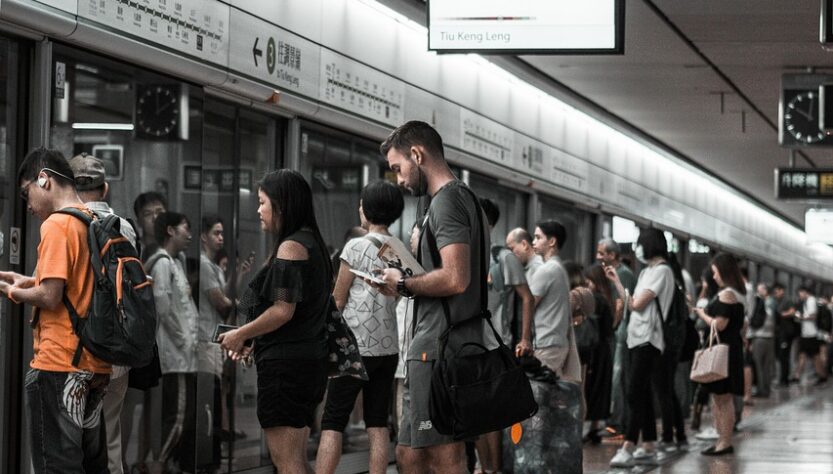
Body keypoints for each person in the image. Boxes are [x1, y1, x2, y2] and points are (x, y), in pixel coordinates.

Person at [377, 121, 489, 474]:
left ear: (417, 154)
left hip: (439, 348)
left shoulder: (447, 202)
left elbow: (456, 278)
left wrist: (403, 284)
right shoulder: (466, 198)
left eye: (398, 168)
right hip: (447, 343)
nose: (399, 179)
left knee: (441, 452)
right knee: (414, 448)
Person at [0, 148, 111, 473]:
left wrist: (12, 292)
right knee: (92, 466)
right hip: (93, 366)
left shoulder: (57, 225)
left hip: (59, 363)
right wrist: (25, 280)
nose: (29, 205)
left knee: (57, 466)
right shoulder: (90, 220)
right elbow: (74, 288)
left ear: (44, 179)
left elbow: (50, 296)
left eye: (27, 193)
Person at [219, 170, 331, 472]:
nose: (258, 210)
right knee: (295, 459)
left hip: (287, 368)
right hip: (305, 363)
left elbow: (283, 309)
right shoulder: (312, 243)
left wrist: (240, 334)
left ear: (281, 206)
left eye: (262, 202)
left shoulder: (291, 247)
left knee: (287, 462)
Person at [315, 180, 405, 474]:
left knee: (333, 421)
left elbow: (337, 300)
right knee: (378, 422)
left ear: (367, 208)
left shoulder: (355, 245)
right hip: (388, 348)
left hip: (352, 349)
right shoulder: (399, 249)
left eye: (361, 203)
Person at [69, 152, 137, 474]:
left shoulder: (63, 222)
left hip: (72, 350)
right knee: (110, 439)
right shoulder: (123, 226)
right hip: (114, 352)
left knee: (69, 443)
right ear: (105, 189)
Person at [473, 199, 534, 474]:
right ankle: (485, 468)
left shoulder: (503, 257)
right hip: (469, 344)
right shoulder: (465, 253)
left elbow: (527, 297)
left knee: (491, 415)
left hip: (497, 344)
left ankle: (494, 469)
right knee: (476, 414)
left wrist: (524, 338)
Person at [607, 228, 675, 468]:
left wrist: (624, 292)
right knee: (642, 392)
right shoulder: (646, 271)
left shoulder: (662, 271)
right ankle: (648, 444)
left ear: (650, 245)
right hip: (637, 337)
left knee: (634, 392)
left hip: (649, 339)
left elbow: (635, 303)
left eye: (640, 244)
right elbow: (632, 302)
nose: (637, 249)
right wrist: (617, 281)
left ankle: (628, 446)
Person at [147, 212, 199, 473]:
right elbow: (163, 307)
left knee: (184, 415)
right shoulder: (163, 264)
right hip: (175, 355)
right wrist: (183, 339)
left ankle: (163, 463)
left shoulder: (175, 262)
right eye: (185, 228)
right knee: (179, 416)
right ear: (170, 230)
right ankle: (157, 464)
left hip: (185, 354)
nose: (189, 235)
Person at [692, 252, 747, 456]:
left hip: (723, 353)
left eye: (715, 272)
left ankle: (724, 442)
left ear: (723, 271)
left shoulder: (727, 294)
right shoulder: (738, 293)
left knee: (723, 400)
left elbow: (719, 324)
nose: (713, 276)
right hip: (730, 350)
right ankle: (722, 440)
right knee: (721, 399)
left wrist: (702, 314)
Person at [528, 220, 579, 381]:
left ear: (551, 241)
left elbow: (529, 304)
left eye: (538, 237)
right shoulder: (559, 268)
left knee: (539, 396)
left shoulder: (547, 270)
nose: (533, 242)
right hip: (556, 342)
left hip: (546, 342)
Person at [596, 237, 636, 437]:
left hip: (622, 331)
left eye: (602, 253)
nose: (598, 257)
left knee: (619, 376)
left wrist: (612, 326)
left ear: (612, 255)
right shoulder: (614, 273)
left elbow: (622, 303)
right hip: (618, 331)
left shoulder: (623, 275)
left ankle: (617, 422)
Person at [583, 264, 616, 445]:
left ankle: (588, 428)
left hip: (594, 349)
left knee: (591, 387)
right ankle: (595, 428)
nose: (586, 284)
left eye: (588, 281)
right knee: (600, 387)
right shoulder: (606, 298)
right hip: (604, 350)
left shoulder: (594, 299)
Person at [794, 286, 827, 385]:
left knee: (815, 356)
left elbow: (813, 316)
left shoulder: (811, 300)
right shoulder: (807, 301)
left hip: (811, 334)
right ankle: (797, 376)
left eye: (800, 293)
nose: (799, 296)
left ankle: (822, 375)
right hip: (806, 334)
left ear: (805, 292)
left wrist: (800, 317)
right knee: (802, 355)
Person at [749, 283, 775, 398]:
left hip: (759, 337)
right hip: (770, 337)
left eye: (760, 290)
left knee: (758, 365)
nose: (758, 293)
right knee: (766, 365)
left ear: (765, 290)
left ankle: (761, 390)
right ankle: (766, 389)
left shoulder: (760, 303)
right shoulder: (772, 304)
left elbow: (753, 319)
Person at [772, 283, 799, 386]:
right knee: (780, 356)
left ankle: (784, 380)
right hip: (780, 333)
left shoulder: (787, 300)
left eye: (777, 291)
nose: (776, 294)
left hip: (786, 333)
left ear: (782, 290)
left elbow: (792, 312)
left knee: (784, 356)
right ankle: (782, 378)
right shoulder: (776, 301)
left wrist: (782, 314)